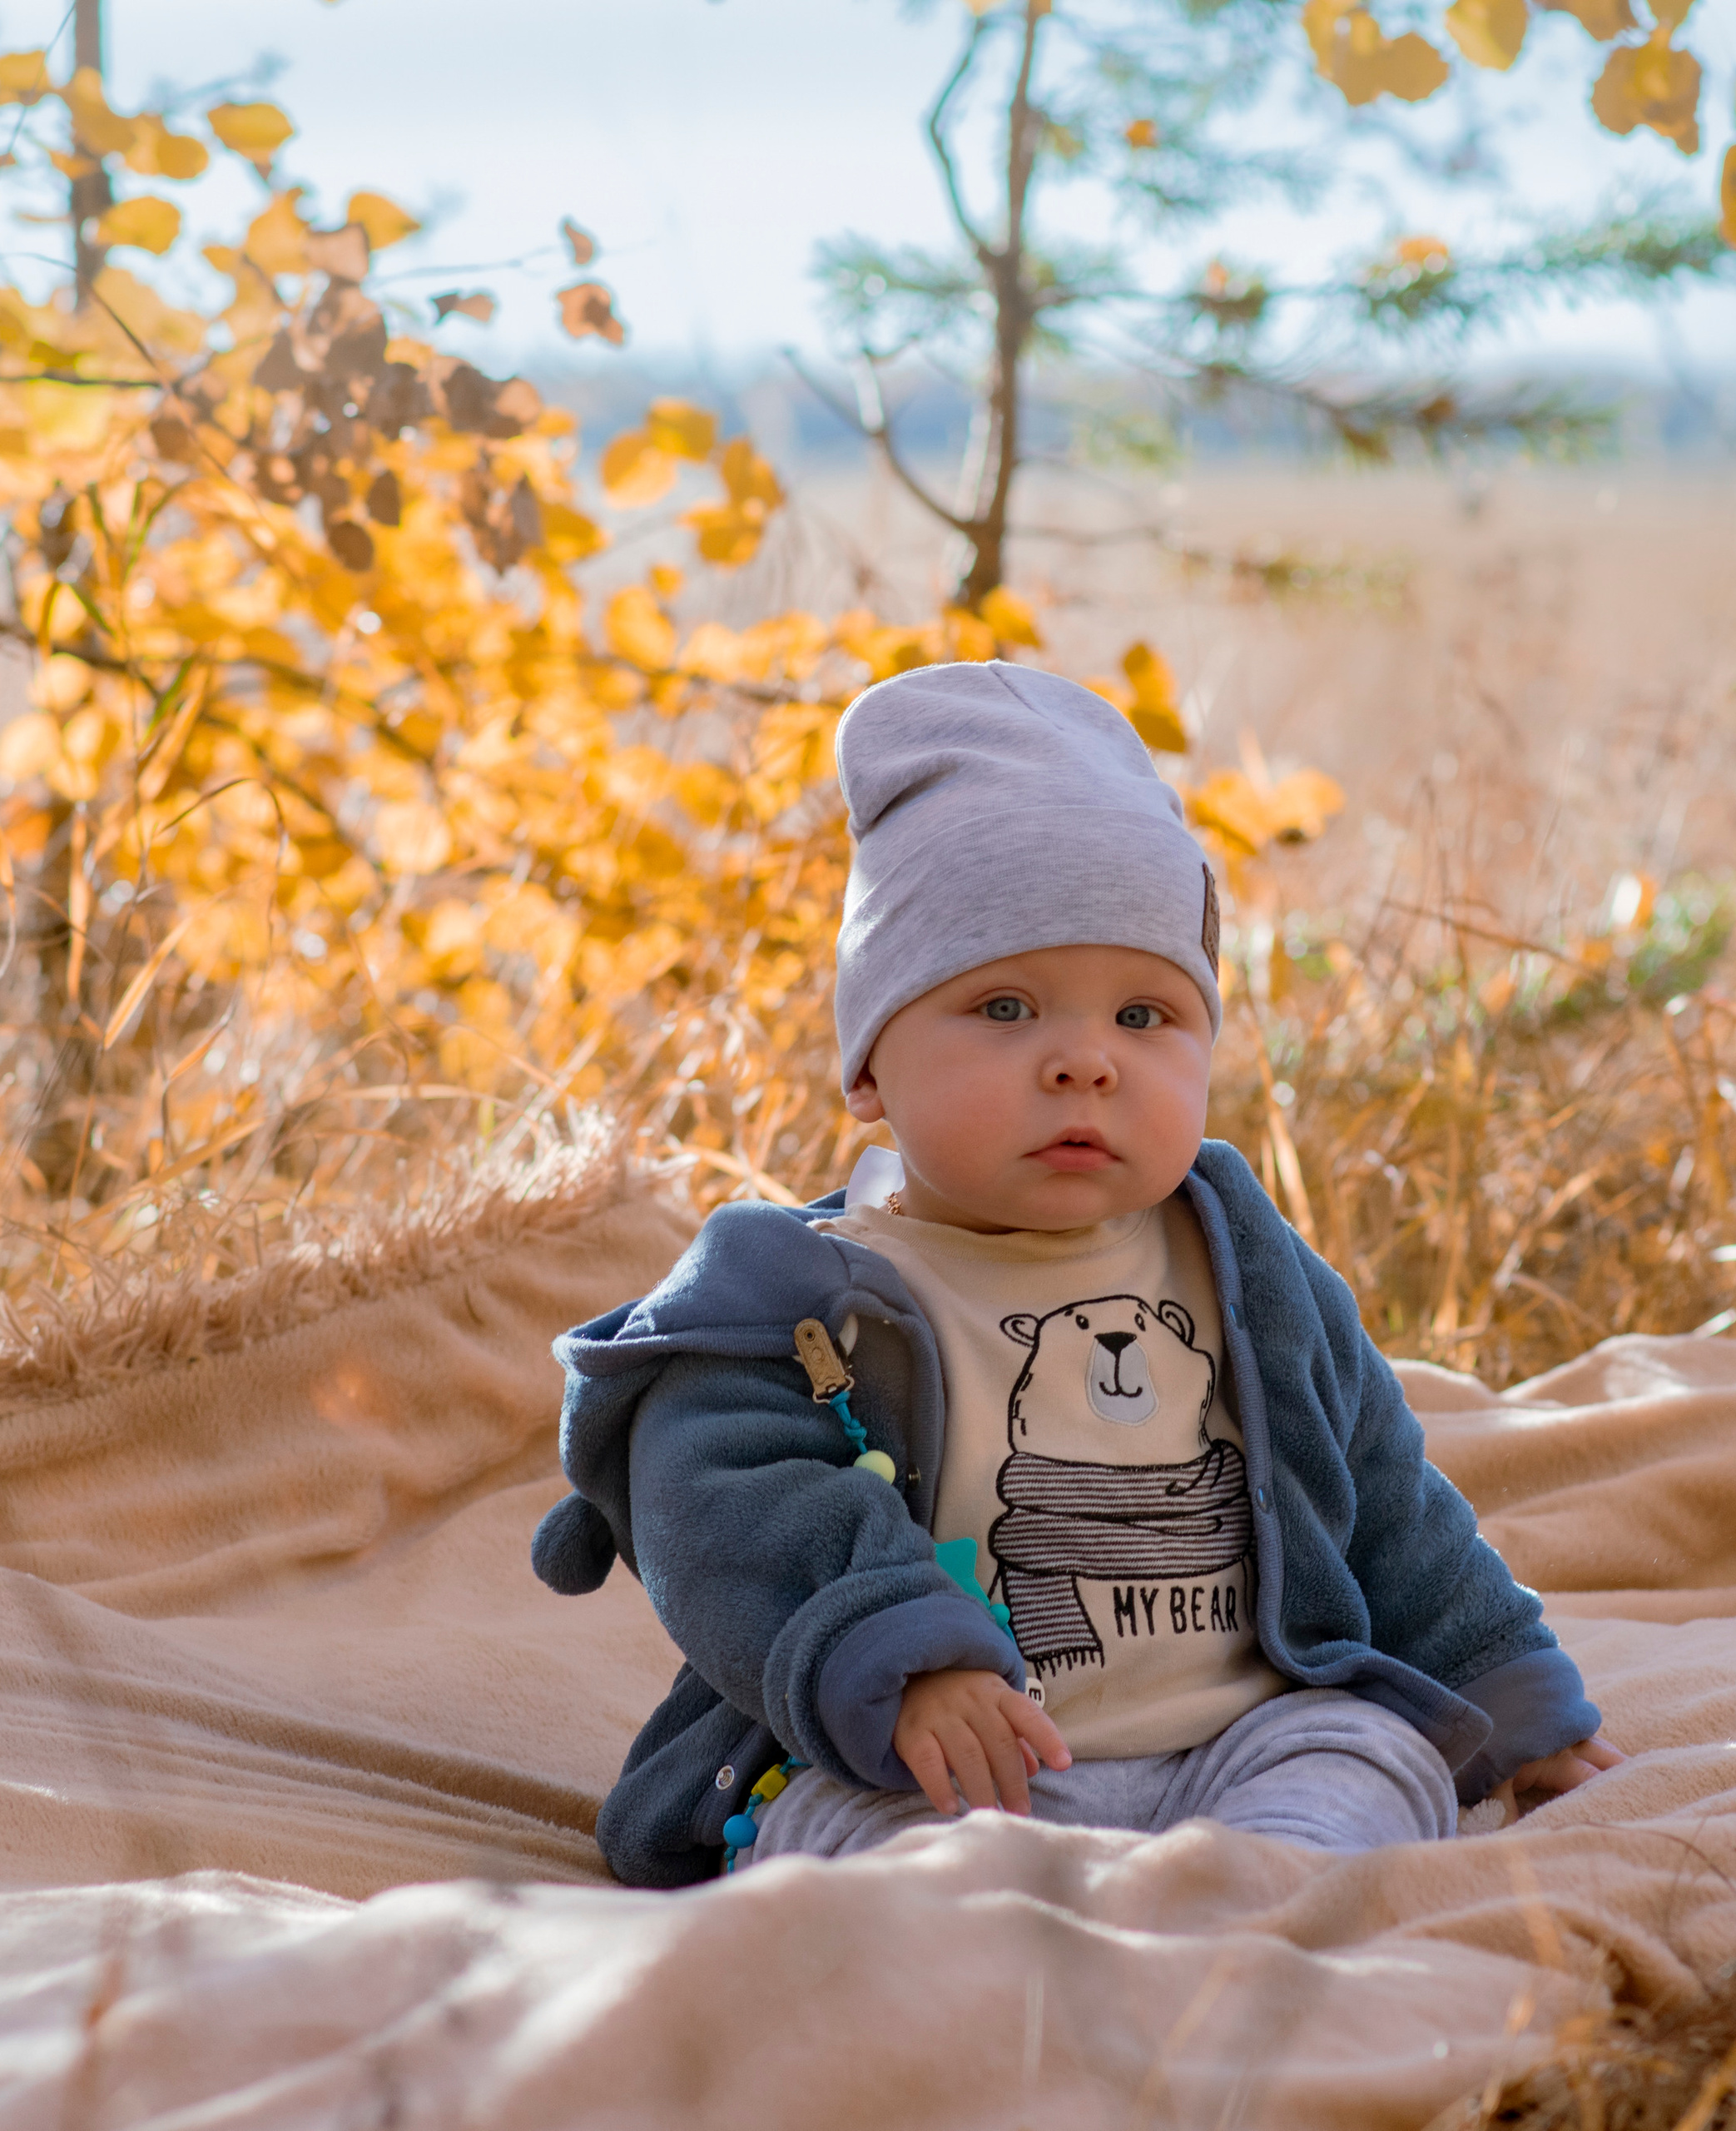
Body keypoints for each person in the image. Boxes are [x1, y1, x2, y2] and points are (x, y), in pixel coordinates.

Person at [532, 659, 1622, 1886]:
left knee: (1367, 1753)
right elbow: (721, 1509)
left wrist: (1511, 1693)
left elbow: (1381, 1486)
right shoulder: (796, 1291)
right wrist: (898, 1658)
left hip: (1236, 1739)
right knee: (844, 1838)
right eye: (1004, 1008)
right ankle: (1000, 1942)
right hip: (944, 1770)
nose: (1084, 1063)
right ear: (871, 1072)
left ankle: (1252, 1903)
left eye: (1145, 1017)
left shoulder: (1238, 1256)